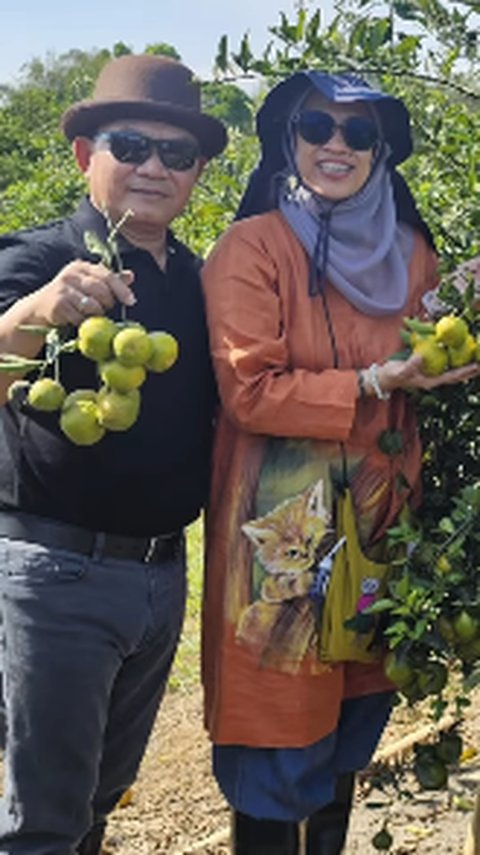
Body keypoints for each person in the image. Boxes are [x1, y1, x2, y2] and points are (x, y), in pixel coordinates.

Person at [201, 71, 479, 854]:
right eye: (317, 127)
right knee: (278, 731)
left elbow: (435, 337)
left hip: (385, 526)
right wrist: (371, 382)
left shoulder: (411, 251)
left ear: (380, 149)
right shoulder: (252, 248)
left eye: (358, 134)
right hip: (279, 547)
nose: (336, 145)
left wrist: (467, 306)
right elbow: (249, 391)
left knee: (354, 717)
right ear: (289, 140)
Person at [0, 54, 226, 854]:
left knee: (98, 797)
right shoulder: (39, 256)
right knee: (44, 820)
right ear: (84, 156)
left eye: (176, 153)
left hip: (163, 578)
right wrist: (35, 311)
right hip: (57, 575)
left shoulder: (200, 281)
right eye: (130, 145)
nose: (153, 167)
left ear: (197, 171)